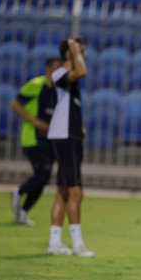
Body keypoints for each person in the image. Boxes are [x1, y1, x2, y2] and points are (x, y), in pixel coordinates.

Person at [46, 38, 93, 257]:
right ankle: (78, 244)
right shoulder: (59, 74)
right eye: (81, 51)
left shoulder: (68, 79)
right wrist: (75, 52)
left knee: (63, 191)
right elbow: (81, 71)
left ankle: (54, 242)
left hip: (70, 135)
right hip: (64, 137)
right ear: (69, 53)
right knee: (76, 191)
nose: (85, 56)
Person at [10, 57, 63, 226]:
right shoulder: (36, 84)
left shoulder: (59, 89)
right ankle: (18, 192)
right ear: (48, 68)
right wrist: (35, 121)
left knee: (43, 177)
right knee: (43, 174)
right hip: (32, 138)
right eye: (55, 68)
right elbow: (15, 104)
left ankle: (23, 213)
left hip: (50, 139)